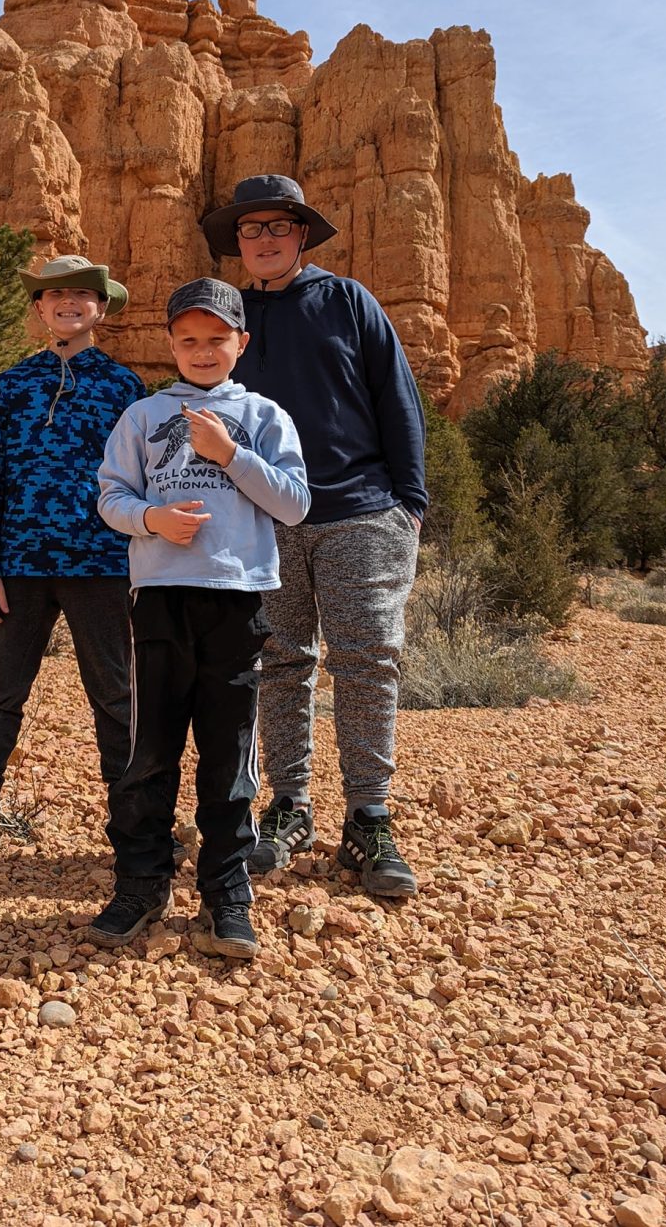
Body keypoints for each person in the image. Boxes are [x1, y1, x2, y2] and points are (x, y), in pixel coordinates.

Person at [201, 175, 427, 898]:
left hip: (361, 510)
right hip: (265, 519)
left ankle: (369, 818)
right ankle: (289, 808)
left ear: (302, 236)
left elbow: (397, 395)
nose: (264, 240)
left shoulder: (346, 300)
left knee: (366, 663)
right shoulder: (228, 321)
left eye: (279, 227)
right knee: (281, 664)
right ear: (237, 242)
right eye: (250, 229)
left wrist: (410, 503)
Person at [92, 278, 310, 957]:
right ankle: (140, 884)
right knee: (149, 749)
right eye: (188, 339)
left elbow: (296, 503)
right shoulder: (143, 415)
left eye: (217, 338)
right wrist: (151, 518)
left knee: (227, 754)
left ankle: (226, 893)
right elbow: (110, 496)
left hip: (236, 598)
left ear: (241, 343)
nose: (203, 350)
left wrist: (229, 454)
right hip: (159, 596)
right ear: (170, 345)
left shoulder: (265, 416)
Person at [0, 255, 145, 877]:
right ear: (39, 310)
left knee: (116, 694)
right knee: (2, 693)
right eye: (54, 297)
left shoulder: (125, 389)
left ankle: (133, 824)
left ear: (101, 308)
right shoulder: (12, 385)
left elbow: (141, 482)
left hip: (101, 564)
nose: (67, 304)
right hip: (18, 565)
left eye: (81, 295)